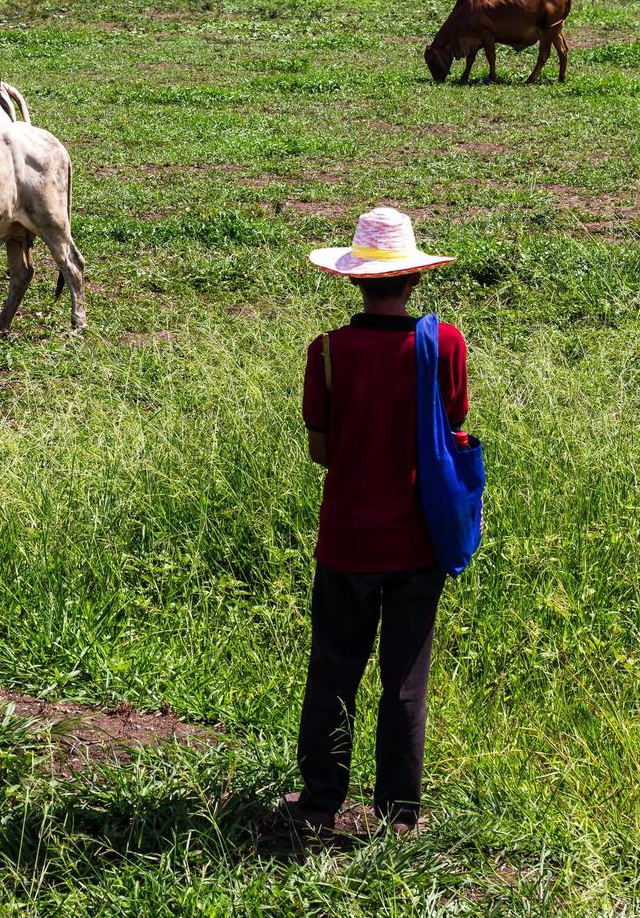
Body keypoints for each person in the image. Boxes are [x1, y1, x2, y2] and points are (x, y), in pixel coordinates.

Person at [282, 206, 468, 838]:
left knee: (334, 667)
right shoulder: (444, 343)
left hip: (347, 539)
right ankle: (399, 816)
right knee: (405, 680)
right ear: (414, 280)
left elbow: (322, 450)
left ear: (355, 280)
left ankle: (318, 804)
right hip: (419, 539)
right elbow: (454, 423)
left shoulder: (328, 351)